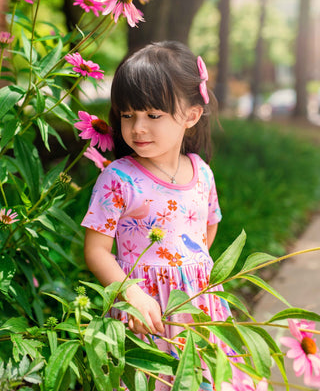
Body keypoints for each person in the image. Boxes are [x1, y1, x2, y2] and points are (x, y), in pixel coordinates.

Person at [81, 41, 235, 390]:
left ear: (192, 115)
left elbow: (206, 233)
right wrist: (130, 292)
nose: (137, 128)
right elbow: (96, 251)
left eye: (153, 116)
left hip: (197, 307)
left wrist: (189, 274)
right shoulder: (118, 178)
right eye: (127, 115)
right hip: (145, 311)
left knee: (202, 378)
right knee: (152, 380)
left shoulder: (202, 173)